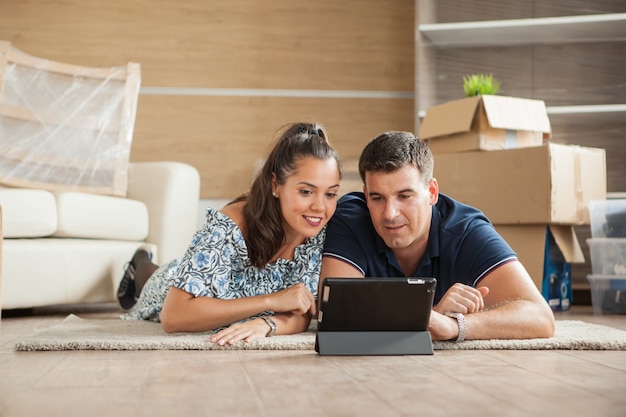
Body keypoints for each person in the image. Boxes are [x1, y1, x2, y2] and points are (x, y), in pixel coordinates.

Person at [117, 122, 342, 345]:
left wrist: (267, 324)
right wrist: (271, 301)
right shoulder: (233, 222)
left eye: (330, 194)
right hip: (173, 286)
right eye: (306, 191)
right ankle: (140, 262)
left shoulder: (320, 233)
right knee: (152, 278)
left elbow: (301, 311)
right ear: (276, 184)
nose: (320, 207)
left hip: (218, 292)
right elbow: (173, 317)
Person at [319, 131, 556, 342]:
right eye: (377, 197)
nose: (390, 214)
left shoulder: (466, 229)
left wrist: (454, 326)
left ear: (431, 192)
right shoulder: (350, 217)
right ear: (366, 195)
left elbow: (540, 317)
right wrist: (429, 315)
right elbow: (335, 312)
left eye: (405, 196)